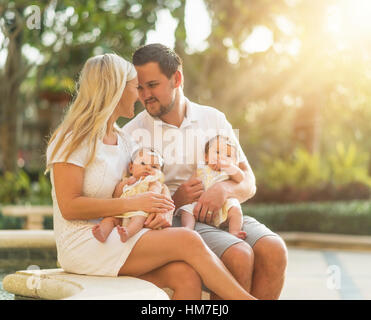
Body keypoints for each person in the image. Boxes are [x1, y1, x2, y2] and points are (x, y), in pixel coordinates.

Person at [45, 52, 257, 300]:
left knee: (185, 276)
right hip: (84, 242)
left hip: (120, 231)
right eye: (135, 87)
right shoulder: (72, 139)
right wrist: (135, 204)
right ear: (116, 90)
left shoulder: (124, 140)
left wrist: (157, 210)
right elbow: (69, 207)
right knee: (188, 240)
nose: (140, 94)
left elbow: (140, 183)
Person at [122, 43, 288, 300]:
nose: (145, 96)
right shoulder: (132, 133)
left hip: (223, 213)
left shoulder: (214, 118)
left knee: (274, 249)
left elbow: (249, 181)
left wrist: (223, 189)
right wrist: (174, 201)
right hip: (177, 221)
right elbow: (128, 195)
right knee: (239, 255)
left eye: (152, 85)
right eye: (140, 88)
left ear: (176, 78)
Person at [92, 147, 169, 243]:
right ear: (131, 168)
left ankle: (128, 233)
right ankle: (102, 232)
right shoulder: (126, 180)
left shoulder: (152, 182)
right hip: (122, 210)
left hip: (140, 210)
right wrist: (125, 183)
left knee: (138, 219)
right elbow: (116, 195)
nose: (148, 168)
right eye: (143, 163)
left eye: (154, 167)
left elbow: (154, 194)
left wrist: (152, 190)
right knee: (110, 219)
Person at [179, 135, 247, 240]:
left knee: (235, 208)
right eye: (218, 152)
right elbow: (192, 183)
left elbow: (241, 177)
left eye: (228, 155)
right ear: (206, 157)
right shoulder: (202, 170)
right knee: (186, 210)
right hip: (201, 205)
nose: (222, 157)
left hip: (224, 204)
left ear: (235, 162)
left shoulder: (229, 171)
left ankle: (234, 231)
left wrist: (229, 167)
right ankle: (188, 228)